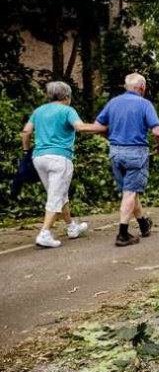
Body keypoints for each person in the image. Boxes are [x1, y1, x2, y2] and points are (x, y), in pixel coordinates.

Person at [21, 81, 106, 248]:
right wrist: (102, 128)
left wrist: (26, 151)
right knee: (55, 196)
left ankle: (71, 227)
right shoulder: (67, 110)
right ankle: (44, 233)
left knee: (59, 193)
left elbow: (26, 132)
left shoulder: (39, 111)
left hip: (39, 158)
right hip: (60, 158)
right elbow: (80, 128)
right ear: (67, 97)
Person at [94, 72, 159, 247]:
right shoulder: (144, 104)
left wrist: (110, 137)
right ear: (142, 88)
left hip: (116, 153)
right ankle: (122, 234)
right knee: (130, 193)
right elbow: (157, 132)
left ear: (127, 87)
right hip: (136, 153)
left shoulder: (113, 103)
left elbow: (98, 127)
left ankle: (143, 224)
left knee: (130, 191)